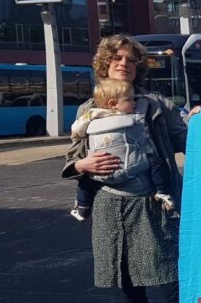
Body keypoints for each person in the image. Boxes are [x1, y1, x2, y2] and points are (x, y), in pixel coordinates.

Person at [62, 35, 198, 303]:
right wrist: (81, 165)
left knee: (172, 286)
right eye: (118, 58)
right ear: (104, 64)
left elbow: (188, 139)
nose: (124, 64)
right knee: (129, 288)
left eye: (131, 60)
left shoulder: (155, 105)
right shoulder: (88, 109)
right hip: (109, 207)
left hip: (153, 205)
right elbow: (74, 155)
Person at [68, 78, 176, 222]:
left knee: (154, 162)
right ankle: (83, 206)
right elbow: (78, 127)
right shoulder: (94, 113)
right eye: (129, 100)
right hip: (103, 164)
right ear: (112, 104)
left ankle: (161, 190)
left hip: (134, 168)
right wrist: (77, 135)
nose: (134, 102)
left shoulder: (140, 110)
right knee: (86, 180)